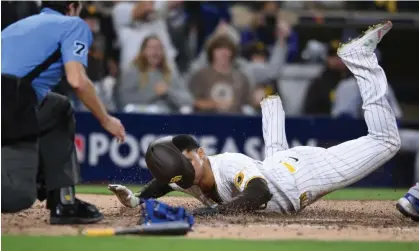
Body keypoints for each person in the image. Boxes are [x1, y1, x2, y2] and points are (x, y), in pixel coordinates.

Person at [109, 21, 401, 216]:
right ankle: (271, 105)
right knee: (272, 160)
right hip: (279, 167)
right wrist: (137, 198)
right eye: (182, 167)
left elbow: (259, 193)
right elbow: (164, 181)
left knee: (386, 141)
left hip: (304, 176)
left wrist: (212, 213)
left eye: (187, 162)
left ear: (201, 153)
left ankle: (359, 59)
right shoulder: (189, 175)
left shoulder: (226, 165)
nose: (184, 171)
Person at [1, 1, 125, 224]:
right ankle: (59, 200)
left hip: (15, 100)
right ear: (73, 6)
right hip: (12, 100)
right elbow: (77, 80)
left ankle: (63, 201)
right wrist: (106, 120)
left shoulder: (17, 26)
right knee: (18, 196)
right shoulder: (73, 24)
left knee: (58, 107)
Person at [116, 35, 192, 113]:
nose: (155, 52)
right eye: (151, 48)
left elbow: (188, 100)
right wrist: (153, 93)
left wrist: (168, 92)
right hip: (140, 118)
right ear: (143, 51)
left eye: (159, 48)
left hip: (167, 119)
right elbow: (123, 100)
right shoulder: (131, 73)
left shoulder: (170, 74)